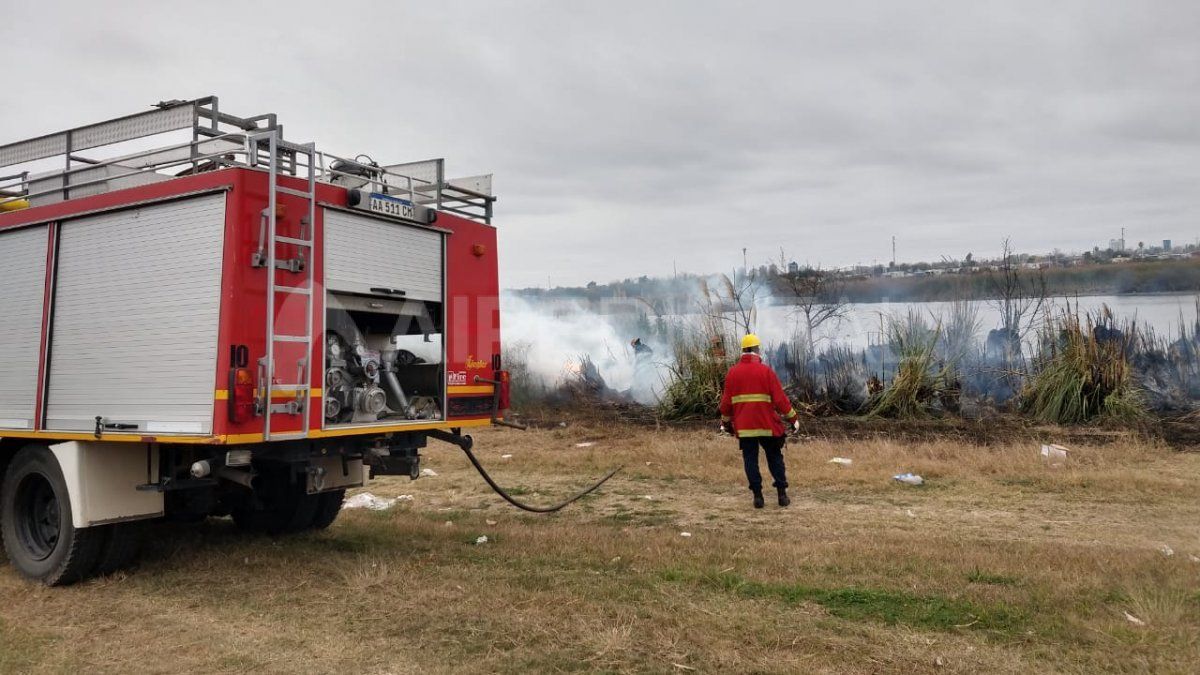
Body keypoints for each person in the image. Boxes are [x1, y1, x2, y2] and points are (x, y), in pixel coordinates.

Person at [719, 333, 799, 508]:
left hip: (745, 427)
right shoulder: (766, 371)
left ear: (743, 351)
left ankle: (757, 496)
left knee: (750, 459)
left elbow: (726, 404)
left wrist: (725, 423)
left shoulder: (732, 373)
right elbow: (780, 400)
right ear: (756, 350)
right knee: (775, 457)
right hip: (767, 425)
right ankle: (782, 495)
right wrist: (793, 418)